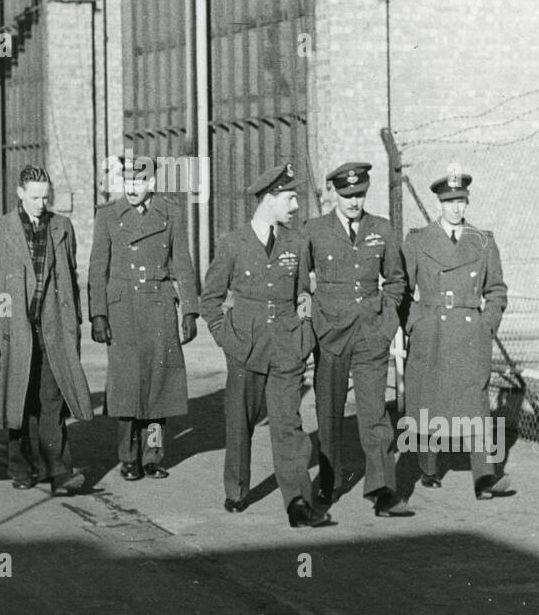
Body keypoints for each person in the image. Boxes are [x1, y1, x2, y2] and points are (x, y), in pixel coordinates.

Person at [201, 163, 331, 528]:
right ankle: (237, 489)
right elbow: (209, 300)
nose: (295, 206)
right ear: (269, 199)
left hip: (287, 345)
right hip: (245, 346)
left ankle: (298, 502)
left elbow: (304, 292)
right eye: (290, 198)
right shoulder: (232, 243)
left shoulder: (297, 241)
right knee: (239, 423)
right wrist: (228, 339)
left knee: (288, 424)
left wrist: (303, 335)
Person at [301, 161, 411, 517]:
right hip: (329, 333)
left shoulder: (382, 229)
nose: (353, 202)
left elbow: (396, 281)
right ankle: (329, 482)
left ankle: (382, 488)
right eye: (347, 195)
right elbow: (300, 284)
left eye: (360, 194)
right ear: (333, 193)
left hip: (369, 332)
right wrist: (312, 321)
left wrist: (386, 323)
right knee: (328, 411)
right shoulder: (314, 230)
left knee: (375, 413)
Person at [0, 165, 93, 496]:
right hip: (14, 332)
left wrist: (74, 325)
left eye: (46, 196)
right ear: (20, 193)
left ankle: (59, 470)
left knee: (51, 400)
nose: (42, 202)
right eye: (35, 196)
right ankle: (22, 466)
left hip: (52, 330)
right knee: (19, 401)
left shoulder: (62, 227)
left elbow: (69, 278)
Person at [401, 166, 513, 500]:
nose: (455, 207)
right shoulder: (418, 240)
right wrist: (415, 324)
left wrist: (485, 324)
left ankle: (484, 477)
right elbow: (402, 291)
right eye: (449, 201)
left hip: (469, 330)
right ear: (439, 202)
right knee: (429, 399)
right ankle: (428, 466)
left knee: (476, 403)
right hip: (431, 329)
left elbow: (496, 289)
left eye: (461, 200)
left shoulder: (483, 239)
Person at [88, 156, 199, 481]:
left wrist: (190, 310)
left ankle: (153, 456)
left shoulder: (171, 213)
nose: (133, 188)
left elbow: (182, 263)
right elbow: (98, 267)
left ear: (152, 184)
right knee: (126, 384)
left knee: (160, 387)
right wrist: (98, 313)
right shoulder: (108, 215)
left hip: (160, 303)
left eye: (140, 182)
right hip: (123, 307)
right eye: (128, 181)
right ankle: (128, 457)